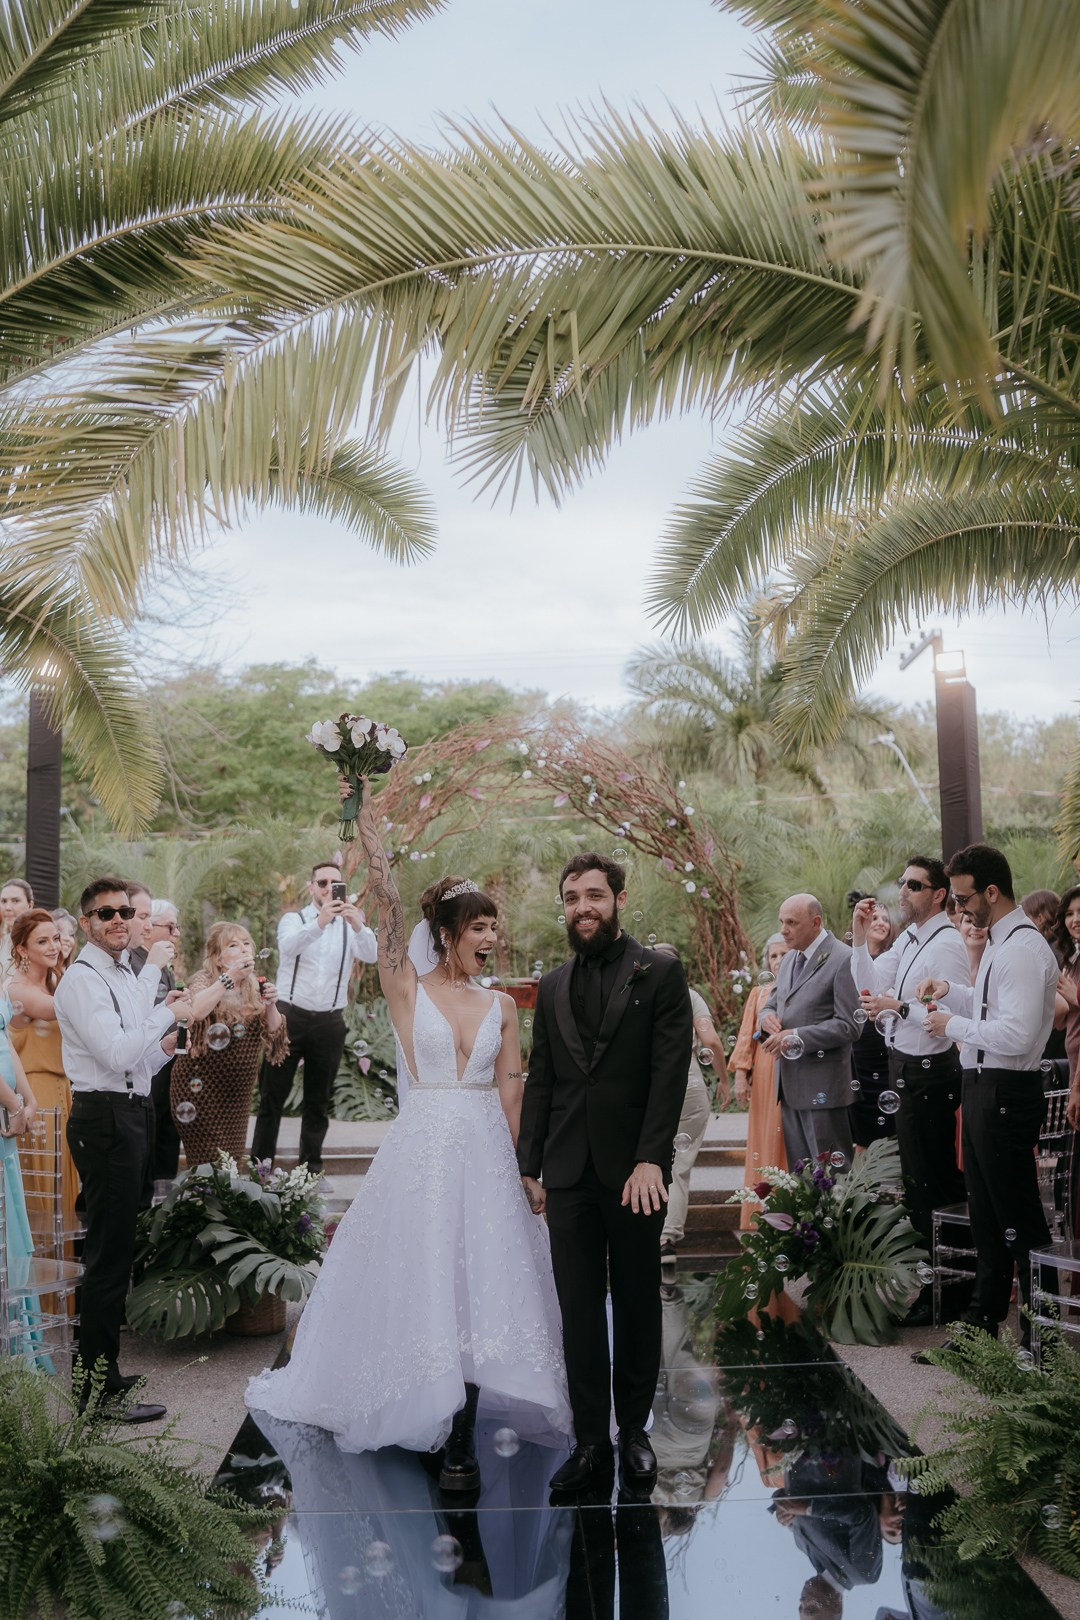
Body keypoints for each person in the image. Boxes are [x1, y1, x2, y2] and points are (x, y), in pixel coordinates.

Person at [247, 782, 571, 1484]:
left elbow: (512, 1091)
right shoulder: (406, 988)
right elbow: (389, 907)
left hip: (486, 1150)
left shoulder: (504, 1008)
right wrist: (365, 819)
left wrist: (528, 1168)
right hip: (422, 1148)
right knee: (427, 1276)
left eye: (495, 927)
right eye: (480, 927)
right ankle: (443, 1426)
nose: (492, 938)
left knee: (483, 1280)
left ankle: (472, 1409)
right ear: (449, 934)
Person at [518, 853, 693, 1496]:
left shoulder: (662, 973)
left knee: (641, 1302)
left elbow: (667, 1076)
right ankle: (591, 1439)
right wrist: (530, 1165)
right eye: (571, 897)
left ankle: (636, 1433)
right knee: (579, 1310)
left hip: (634, 1172)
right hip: (566, 1172)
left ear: (618, 898)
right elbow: (542, 1078)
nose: (582, 907)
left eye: (594, 895)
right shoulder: (554, 981)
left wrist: (653, 1158)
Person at [53, 877, 201, 1421]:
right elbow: (115, 1054)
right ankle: (95, 1395)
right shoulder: (82, 980)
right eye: (105, 913)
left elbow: (136, 1060)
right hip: (105, 1121)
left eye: (125, 912)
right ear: (87, 922)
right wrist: (169, 1015)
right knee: (107, 1258)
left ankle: (106, 1373)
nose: (118, 920)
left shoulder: (119, 972)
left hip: (128, 1113)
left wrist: (164, 1044)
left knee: (117, 1251)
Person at [915, 843, 1059, 1354]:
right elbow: (992, 1008)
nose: (958, 910)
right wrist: (951, 990)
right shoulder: (1001, 941)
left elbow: (1018, 1035)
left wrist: (949, 1023)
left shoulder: (1019, 948)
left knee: (1015, 1213)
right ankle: (980, 1327)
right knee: (987, 1217)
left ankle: (1041, 1338)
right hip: (983, 1089)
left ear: (992, 892)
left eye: (963, 898)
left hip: (1004, 1092)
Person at [850, 858, 971, 1321]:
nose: (903, 890)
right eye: (902, 882)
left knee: (933, 1184)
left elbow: (946, 1020)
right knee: (915, 1184)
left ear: (940, 894)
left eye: (915, 884)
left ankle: (948, 1294)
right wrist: (860, 939)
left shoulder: (947, 945)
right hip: (902, 1067)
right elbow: (870, 987)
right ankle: (932, 1288)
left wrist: (899, 1008)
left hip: (930, 1071)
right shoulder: (910, 938)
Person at [252, 861, 378, 1174]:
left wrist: (358, 924)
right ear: (311, 887)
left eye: (334, 883)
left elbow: (373, 954)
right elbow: (288, 946)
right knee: (272, 1097)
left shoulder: (352, 925)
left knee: (318, 1101)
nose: (327, 888)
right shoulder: (293, 920)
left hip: (329, 1022)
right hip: (287, 1017)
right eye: (321, 882)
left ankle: (310, 1171)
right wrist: (320, 922)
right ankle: (260, 1169)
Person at [171, 922, 287, 1166]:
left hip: (236, 1096)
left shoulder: (255, 986)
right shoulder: (204, 980)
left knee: (231, 1164)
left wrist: (272, 1004)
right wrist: (229, 978)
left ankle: (220, 1206)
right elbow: (196, 1011)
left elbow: (276, 1035)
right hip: (200, 1093)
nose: (243, 949)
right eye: (233, 945)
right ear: (218, 957)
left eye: (246, 943)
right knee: (209, 1164)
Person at [7, 910, 80, 1285]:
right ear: (22, 949)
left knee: (64, 1199)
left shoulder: (56, 980)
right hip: (35, 1095)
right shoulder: (18, 989)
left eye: (56, 938)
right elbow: (72, 1010)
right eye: (43, 941)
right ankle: (38, 1298)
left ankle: (61, 1299)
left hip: (63, 1094)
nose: (53, 947)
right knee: (42, 1198)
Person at [760, 895, 859, 1167]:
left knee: (832, 1180)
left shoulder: (843, 958)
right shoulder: (791, 958)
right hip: (789, 1083)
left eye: (791, 922)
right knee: (802, 1181)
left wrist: (794, 1036)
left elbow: (850, 1025)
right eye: (782, 922)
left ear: (816, 922)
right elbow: (771, 1003)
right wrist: (766, 1017)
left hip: (823, 1086)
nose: (783, 929)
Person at [652, 944, 728, 1267]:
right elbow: (710, 1041)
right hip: (690, 1086)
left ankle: (648, 1231)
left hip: (651, 1087)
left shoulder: (638, 994)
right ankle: (667, 1239)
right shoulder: (690, 996)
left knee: (651, 1159)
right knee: (679, 1165)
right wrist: (724, 1079)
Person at [0, 992, 51, 1367]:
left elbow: (5, 1041)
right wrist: (13, 1103)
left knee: (9, 1219)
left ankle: (19, 1346)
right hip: (4, 1105)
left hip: (9, 1106)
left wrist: (28, 1100)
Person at [731, 934, 790, 1229]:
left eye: (784, 954)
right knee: (764, 1138)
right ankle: (759, 1216)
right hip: (765, 1074)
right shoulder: (759, 994)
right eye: (773, 956)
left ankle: (789, 1210)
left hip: (791, 1069)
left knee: (787, 1138)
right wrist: (741, 1075)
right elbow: (745, 1037)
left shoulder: (799, 989)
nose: (778, 961)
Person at [846, 901, 897, 1149]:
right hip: (859, 1046)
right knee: (860, 1118)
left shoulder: (895, 959)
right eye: (875, 918)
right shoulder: (850, 960)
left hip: (886, 1045)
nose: (880, 923)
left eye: (885, 919)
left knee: (890, 1117)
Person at [0, 878, 33, 976]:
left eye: (15, 901)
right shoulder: (3, 941)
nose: (8, 908)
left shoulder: (39, 942)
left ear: (30, 904)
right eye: (4, 901)